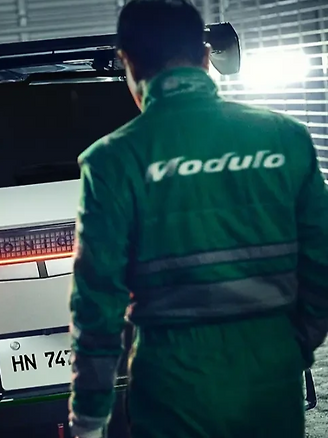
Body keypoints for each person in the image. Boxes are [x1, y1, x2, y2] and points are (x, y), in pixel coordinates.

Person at [67, 0, 328, 437]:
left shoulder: (112, 160)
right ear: (206, 57)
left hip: (171, 380)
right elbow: (322, 261)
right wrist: (292, 347)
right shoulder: (286, 138)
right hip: (270, 373)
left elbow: (97, 302)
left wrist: (89, 418)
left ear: (128, 62)